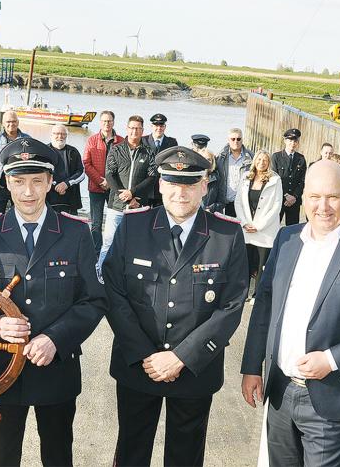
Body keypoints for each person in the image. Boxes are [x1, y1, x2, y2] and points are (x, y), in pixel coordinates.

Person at [241, 160, 340, 467]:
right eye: (315, 197)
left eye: (332, 197)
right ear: (304, 198)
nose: (323, 206)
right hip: (279, 392)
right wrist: (252, 366)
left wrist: (330, 359)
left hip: (332, 400)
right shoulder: (286, 239)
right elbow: (265, 305)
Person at [0, 137, 107, 467]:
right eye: (19, 181)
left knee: (57, 454)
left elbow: (93, 300)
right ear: (6, 182)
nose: (28, 192)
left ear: (51, 182)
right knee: (1, 456)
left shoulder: (76, 233)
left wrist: (56, 337)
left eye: (37, 181)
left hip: (56, 368)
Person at [103, 146, 249, 466]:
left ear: (204, 186)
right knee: (131, 451)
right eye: (172, 183)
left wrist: (181, 357)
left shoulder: (227, 234)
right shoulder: (133, 226)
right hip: (138, 364)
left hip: (195, 367)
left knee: (186, 455)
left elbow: (232, 304)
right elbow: (114, 291)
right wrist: (146, 354)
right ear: (160, 185)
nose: (180, 193)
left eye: (189, 184)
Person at [100, 115, 158, 270]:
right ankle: (101, 271)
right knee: (108, 242)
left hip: (138, 207)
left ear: (142, 131)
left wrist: (132, 193)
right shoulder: (116, 149)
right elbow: (109, 174)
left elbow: (152, 177)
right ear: (127, 129)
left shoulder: (149, 152)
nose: (134, 131)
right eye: (132, 128)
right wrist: (125, 197)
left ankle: (130, 274)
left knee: (136, 244)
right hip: (116, 206)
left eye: (138, 128)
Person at [235, 149, 283, 291]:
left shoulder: (275, 179)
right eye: (259, 159)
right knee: (245, 265)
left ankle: (257, 294)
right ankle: (242, 293)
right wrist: (244, 223)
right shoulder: (245, 177)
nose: (261, 163)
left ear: (269, 163)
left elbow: (276, 206)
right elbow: (238, 202)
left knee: (262, 265)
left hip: (265, 230)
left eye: (265, 160)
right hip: (247, 229)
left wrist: (259, 226)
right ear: (254, 161)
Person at [82, 110, 123, 252]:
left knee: (117, 221)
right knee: (96, 223)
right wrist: (100, 180)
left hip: (115, 190)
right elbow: (86, 164)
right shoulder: (92, 140)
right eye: (104, 121)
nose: (107, 123)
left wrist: (111, 182)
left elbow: (124, 166)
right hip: (96, 187)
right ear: (100, 122)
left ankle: (114, 251)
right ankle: (96, 252)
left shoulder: (121, 141)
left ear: (113, 122)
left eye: (110, 120)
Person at [0, 110, 30, 214]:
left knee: (19, 216)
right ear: (3, 123)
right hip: (0, 186)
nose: (11, 124)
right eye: (8, 121)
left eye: (14, 121)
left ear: (18, 122)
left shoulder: (27, 139)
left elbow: (33, 161)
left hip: (19, 186)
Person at [215, 128, 254, 217]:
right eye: (233, 139)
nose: (236, 141)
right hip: (226, 201)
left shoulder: (251, 156)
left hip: (244, 201)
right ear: (228, 140)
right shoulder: (220, 157)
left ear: (242, 140)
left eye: (238, 139)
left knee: (243, 228)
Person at [141, 113, 178, 207]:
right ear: (151, 126)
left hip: (163, 188)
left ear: (165, 127)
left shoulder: (172, 142)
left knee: (160, 218)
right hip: (145, 187)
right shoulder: (143, 141)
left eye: (161, 126)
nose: (159, 128)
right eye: (156, 125)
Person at [47, 123, 84, 215]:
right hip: (48, 200)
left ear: (66, 136)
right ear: (51, 135)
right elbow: (39, 174)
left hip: (70, 201)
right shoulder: (44, 151)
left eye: (63, 134)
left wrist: (66, 184)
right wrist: (54, 186)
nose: (60, 136)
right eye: (57, 133)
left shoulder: (73, 152)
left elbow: (81, 172)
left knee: (70, 228)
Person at [271, 128, 306, 226]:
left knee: (293, 229)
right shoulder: (276, 157)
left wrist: (294, 196)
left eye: (295, 141)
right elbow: (274, 178)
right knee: (274, 227)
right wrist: (286, 195)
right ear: (285, 141)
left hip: (294, 201)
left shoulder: (301, 159)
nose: (293, 143)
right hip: (279, 199)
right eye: (290, 140)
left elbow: (302, 181)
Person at [191, 134, 222, 212]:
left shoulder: (216, 176)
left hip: (210, 212)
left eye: (209, 159)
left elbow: (221, 199)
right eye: (197, 147)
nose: (206, 162)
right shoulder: (188, 162)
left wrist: (210, 208)